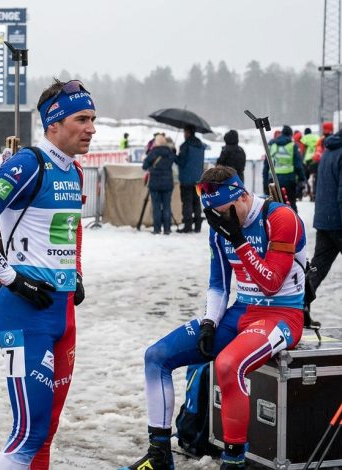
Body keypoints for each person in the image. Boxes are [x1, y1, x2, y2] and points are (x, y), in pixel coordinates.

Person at [119, 165, 306, 470]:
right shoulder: (221, 227)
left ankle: (233, 462)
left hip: (281, 314)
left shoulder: (280, 218)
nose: (221, 220)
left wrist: (240, 242)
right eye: (214, 214)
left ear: (243, 196)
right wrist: (209, 323)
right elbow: (218, 284)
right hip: (241, 310)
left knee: (229, 365)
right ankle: (159, 456)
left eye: (225, 211)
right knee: (157, 356)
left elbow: (271, 283)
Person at [0, 78, 93, 470]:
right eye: (81, 118)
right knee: (27, 433)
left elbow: (73, 227)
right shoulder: (28, 164)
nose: (91, 128)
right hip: (24, 313)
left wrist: (77, 271)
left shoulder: (75, 172)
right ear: (54, 123)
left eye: (92, 119)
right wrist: (11, 278)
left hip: (62, 313)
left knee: (46, 432)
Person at [305, 127, 342, 313]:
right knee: (318, 266)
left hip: (325, 219)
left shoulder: (329, 152)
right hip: (338, 220)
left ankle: (299, 304)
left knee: (317, 267)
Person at [262, 125, 306, 212]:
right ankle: (292, 222)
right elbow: (298, 165)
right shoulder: (292, 145)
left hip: (273, 180)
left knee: (274, 206)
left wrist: (265, 184)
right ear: (290, 135)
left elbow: (266, 166)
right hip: (288, 180)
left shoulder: (272, 144)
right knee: (290, 204)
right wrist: (302, 179)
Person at [142, 134, 176, 234]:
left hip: (155, 184)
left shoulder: (153, 152)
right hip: (168, 183)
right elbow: (176, 160)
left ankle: (157, 229)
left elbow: (144, 166)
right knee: (167, 206)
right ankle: (167, 229)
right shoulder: (169, 152)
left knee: (156, 207)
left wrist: (149, 164)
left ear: (156, 142)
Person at [176, 124, 205, 232]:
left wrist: (175, 155)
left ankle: (188, 226)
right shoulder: (200, 145)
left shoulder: (185, 146)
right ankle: (198, 226)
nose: (184, 134)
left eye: (185, 132)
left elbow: (181, 162)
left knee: (187, 202)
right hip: (198, 178)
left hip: (186, 179)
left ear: (188, 133)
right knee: (196, 202)